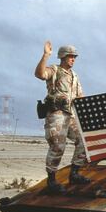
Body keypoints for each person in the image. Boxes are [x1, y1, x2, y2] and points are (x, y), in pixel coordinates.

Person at [34, 41, 91, 194]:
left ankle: (74, 174)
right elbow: (40, 74)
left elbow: (80, 97)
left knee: (85, 141)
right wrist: (46, 55)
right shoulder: (55, 70)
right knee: (58, 146)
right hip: (56, 115)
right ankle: (51, 180)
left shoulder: (75, 76)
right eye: (70, 56)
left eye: (74, 57)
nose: (73, 59)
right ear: (63, 57)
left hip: (71, 116)